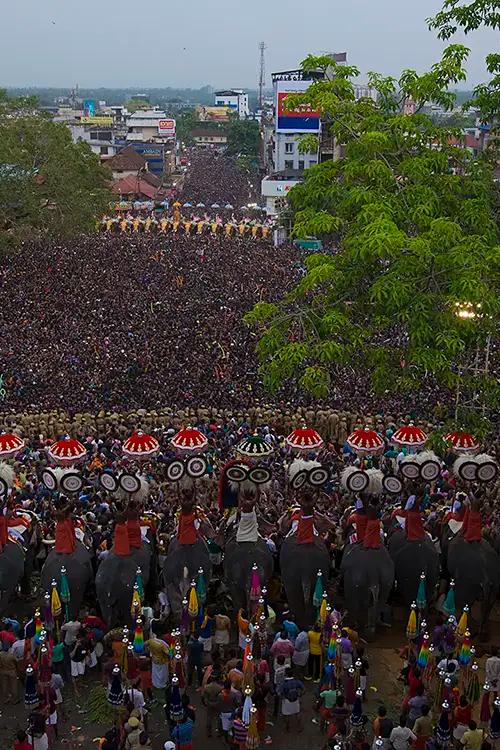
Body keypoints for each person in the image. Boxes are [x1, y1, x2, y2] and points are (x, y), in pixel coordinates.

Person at [281, 667, 304, 732]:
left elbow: (281, 692)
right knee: (297, 713)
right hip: (295, 700)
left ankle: (287, 727)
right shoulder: (296, 681)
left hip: (287, 701)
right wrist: (300, 695)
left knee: (286, 715)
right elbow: (304, 689)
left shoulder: (284, 684)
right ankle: (299, 726)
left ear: (286, 674)